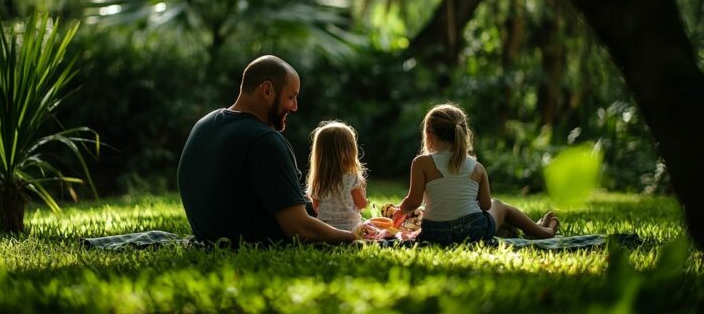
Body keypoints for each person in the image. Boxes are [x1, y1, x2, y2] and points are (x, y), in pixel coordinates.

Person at [177, 55, 355, 245]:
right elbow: (299, 228)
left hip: (208, 236)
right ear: (267, 90)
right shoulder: (264, 141)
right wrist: (355, 236)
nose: (294, 107)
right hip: (250, 243)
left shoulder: (204, 125)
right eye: (291, 96)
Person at [392, 103, 559, 245]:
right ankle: (541, 231)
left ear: (428, 135)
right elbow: (486, 206)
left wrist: (399, 211)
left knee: (494, 217)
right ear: (464, 134)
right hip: (473, 231)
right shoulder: (477, 168)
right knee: (499, 206)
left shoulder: (421, 163)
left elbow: (413, 201)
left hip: (434, 233)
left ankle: (529, 230)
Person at [305, 121, 369, 231]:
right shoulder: (351, 178)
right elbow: (362, 204)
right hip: (351, 228)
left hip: (326, 230)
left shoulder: (318, 180)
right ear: (350, 151)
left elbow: (316, 208)